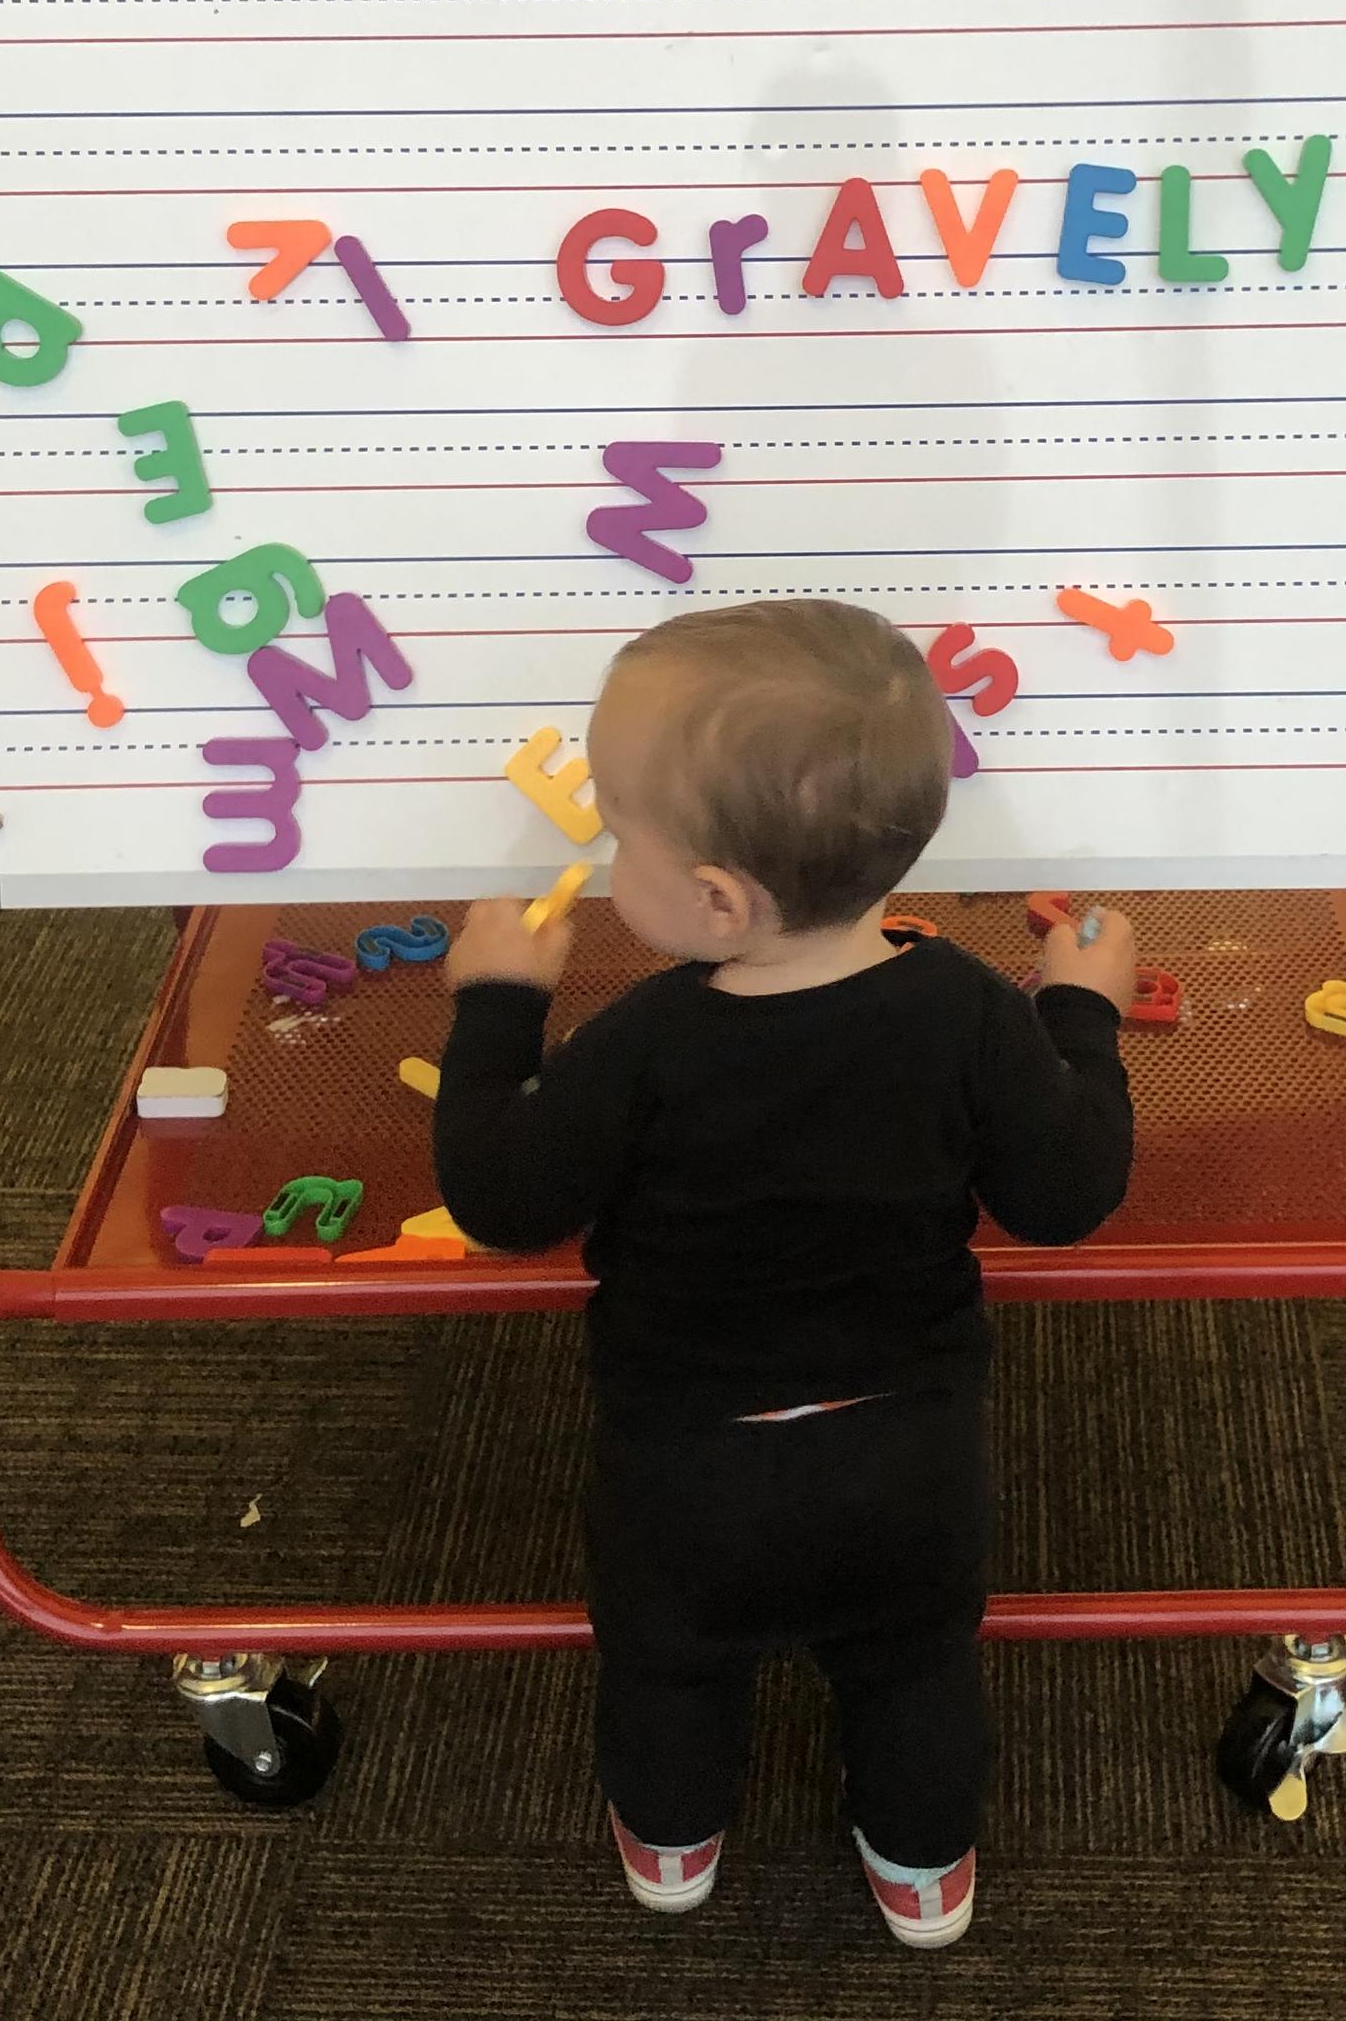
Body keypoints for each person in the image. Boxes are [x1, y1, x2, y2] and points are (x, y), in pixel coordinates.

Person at [434, 599, 1136, 1949]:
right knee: (915, 1664)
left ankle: (674, 1844)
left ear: (716, 899)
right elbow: (1066, 1195)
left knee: (667, 1663)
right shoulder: (968, 1005)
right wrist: (1081, 1011)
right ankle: (924, 1871)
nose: (602, 854)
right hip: (909, 1461)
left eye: (621, 831)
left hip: (689, 1470)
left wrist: (498, 1002)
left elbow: (501, 1200)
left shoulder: (645, 1041)